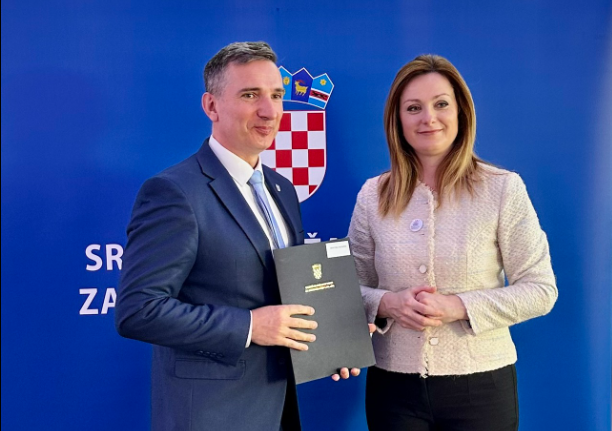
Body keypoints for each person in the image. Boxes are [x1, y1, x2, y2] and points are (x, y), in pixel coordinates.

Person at [115, 41, 360, 431]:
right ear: (211, 106)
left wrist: (334, 338)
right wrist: (249, 326)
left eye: (276, 95)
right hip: (213, 415)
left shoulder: (282, 189)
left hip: (280, 408)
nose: (269, 110)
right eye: (250, 95)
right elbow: (139, 310)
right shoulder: (174, 192)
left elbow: (288, 291)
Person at [348, 54, 558, 431]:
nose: (428, 118)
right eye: (414, 108)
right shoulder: (372, 195)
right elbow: (348, 289)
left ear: (461, 111)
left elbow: (541, 290)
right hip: (392, 388)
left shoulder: (502, 189)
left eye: (441, 104)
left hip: (482, 387)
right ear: (398, 120)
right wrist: (389, 304)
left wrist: (458, 306)